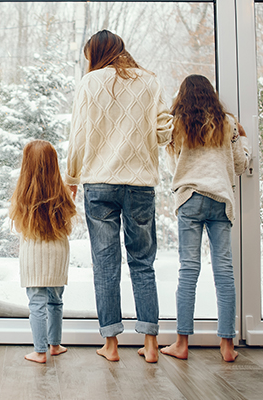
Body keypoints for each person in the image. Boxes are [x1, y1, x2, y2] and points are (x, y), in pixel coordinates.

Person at [64, 30, 173, 363]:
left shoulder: (89, 83)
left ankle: (110, 345)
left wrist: (71, 176)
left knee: (105, 265)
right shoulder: (150, 82)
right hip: (139, 183)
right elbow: (163, 131)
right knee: (143, 264)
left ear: (96, 55)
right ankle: (152, 344)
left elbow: (79, 134)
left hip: (98, 183)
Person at [161, 75, 251, 363]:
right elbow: (239, 164)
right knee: (224, 271)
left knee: (188, 270)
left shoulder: (177, 123)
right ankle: (227, 345)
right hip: (220, 199)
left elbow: (172, 166)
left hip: (189, 197)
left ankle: (181, 343)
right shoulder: (228, 123)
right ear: (211, 94)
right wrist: (245, 140)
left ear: (182, 96)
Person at [9, 139, 77, 363]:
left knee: (37, 303)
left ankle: (40, 351)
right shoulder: (61, 192)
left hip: (33, 256)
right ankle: (55, 345)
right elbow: (69, 215)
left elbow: (19, 226)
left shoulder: (22, 194)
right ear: (53, 163)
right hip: (57, 255)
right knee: (56, 301)